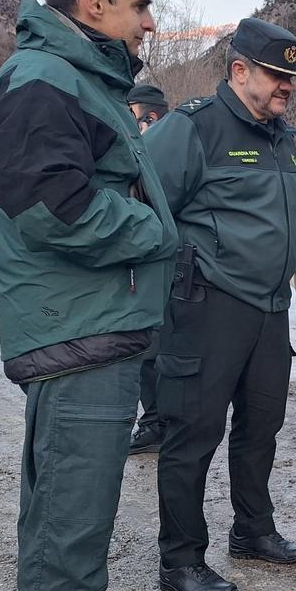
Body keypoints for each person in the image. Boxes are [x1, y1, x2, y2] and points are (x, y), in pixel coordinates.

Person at [0, 0, 175, 591]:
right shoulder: (47, 76)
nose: (150, 21)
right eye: (141, 4)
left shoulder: (75, 78)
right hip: (79, 333)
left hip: (88, 328)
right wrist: (155, 229)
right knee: (70, 524)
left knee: (69, 519)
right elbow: (48, 204)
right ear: (94, 2)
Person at [145, 17, 296, 591]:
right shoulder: (193, 128)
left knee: (261, 427)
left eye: (292, 76)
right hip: (208, 306)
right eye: (277, 74)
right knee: (192, 435)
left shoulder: (281, 136)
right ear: (239, 70)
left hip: (270, 309)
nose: (287, 85)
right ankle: (182, 559)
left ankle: (253, 530)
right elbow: (144, 209)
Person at [125, 82, 171, 455]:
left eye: (133, 116)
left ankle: (157, 423)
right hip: (156, 267)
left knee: (152, 352)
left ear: (150, 117)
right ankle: (157, 421)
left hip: (163, 268)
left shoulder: (158, 152)